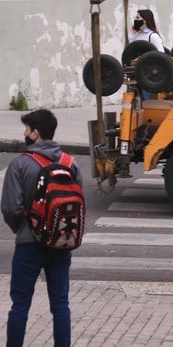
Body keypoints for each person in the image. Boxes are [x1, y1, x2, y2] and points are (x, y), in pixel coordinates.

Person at [2, 109, 82, 347]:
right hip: (60, 243)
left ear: (35, 133)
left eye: (27, 129)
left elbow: (10, 209)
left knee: (20, 305)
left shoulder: (20, 165)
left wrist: (25, 230)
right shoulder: (70, 164)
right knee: (60, 304)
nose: (25, 133)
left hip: (29, 245)